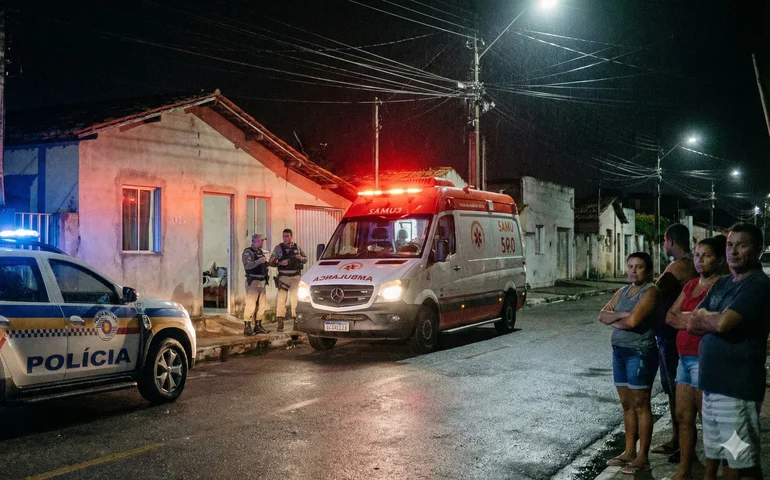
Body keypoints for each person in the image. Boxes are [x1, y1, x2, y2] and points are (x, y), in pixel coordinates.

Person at [688, 224, 770, 480]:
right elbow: (691, 322)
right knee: (728, 458)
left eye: (741, 245)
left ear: (759, 249)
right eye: (729, 245)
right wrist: (712, 319)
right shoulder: (723, 283)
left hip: (736, 391)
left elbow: (724, 323)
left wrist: (711, 318)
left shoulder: (758, 285)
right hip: (712, 387)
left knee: (742, 462)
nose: (733, 251)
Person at [665, 236, 727, 480]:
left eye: (707, 255)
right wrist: (695, 320)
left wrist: (691, 319)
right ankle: (684, 469)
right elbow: (670, 316)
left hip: (705, 360)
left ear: (719, 260)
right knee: (683, 416)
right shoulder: (691, 284)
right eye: (697, 255)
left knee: (707, 419)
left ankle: (710, 473)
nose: (699, 260)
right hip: (684, 359)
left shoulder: (721, 286)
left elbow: (716, 321)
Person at [600, 252, 662, 475]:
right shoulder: (623, 291)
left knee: (641, 404)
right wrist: (623, 315)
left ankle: (642, 457)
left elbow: (634, 321)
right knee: (626, 404)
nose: (633, 271)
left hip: (640, 353)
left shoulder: (651, 292)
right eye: (630, 266)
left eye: (639, 267)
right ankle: (628, 451)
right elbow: (602, 315)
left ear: (649, 270)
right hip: (619, 352)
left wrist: (618, 317)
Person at [652, 223, 698, 462]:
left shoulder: (679, 266)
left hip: (671, 336)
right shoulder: (690, 264)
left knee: (674, 389)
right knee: (675, 389)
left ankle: (680, 442)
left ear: (670, 240)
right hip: (677, 333)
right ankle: (677, 439)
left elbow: (654, 291)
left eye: (664, 241)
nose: (664, 245)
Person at [269, 229, 307, 332]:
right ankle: (280, 323)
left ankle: (296, 322)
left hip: (295, 277)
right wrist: (280, 263)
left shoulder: (297, 247)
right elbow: (271, 262)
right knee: (282, 299)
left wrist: (301, 258)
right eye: (283, 236)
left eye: (287, 236)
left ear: (291, 237)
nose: (285, 238)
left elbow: (305, 259)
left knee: (295, 300)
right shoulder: (278, 248)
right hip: (284, 277)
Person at [241, 233, 270, 335]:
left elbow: (264, 265)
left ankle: (258, 325)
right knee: (251, 304)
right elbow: (247, 265)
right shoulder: (248, 252)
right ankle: (247, 326)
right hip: (253, 281)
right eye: (262, 240)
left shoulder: (261, 252)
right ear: (256, 241)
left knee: (261, 305)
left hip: (262, 281)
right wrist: (258, 261)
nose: (263, 242)